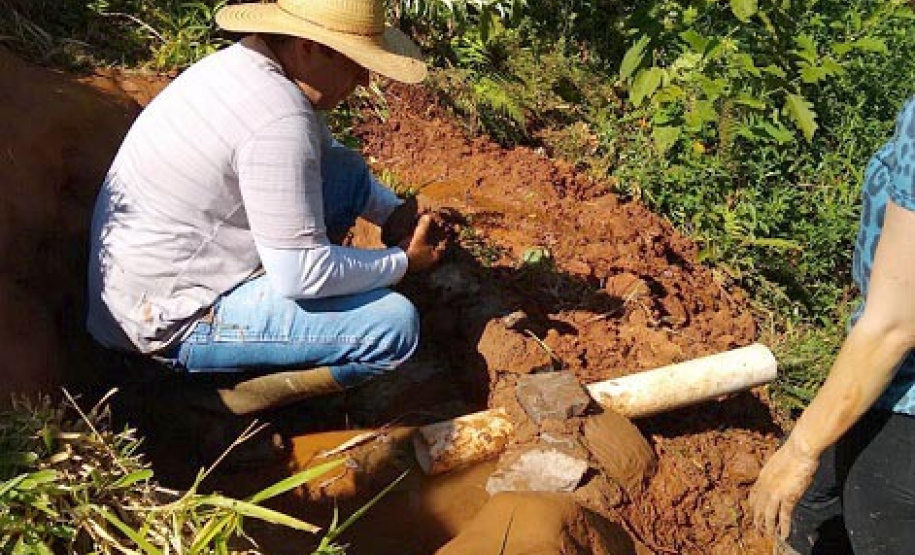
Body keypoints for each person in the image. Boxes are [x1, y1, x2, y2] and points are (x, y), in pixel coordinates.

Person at [86, 0, 443, 420]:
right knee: (392, 326)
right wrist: (402, 262)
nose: (364, 80)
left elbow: (326, 156)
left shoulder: (245, 69)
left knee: (344, 170)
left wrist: (392, 213)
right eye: (353, 61)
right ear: (307, 47)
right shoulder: (277, 118)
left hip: (149, 285)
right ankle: (211, 402)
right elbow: (301, 274)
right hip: (168, 324)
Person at [749, 97, 915, 554]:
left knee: (868, 508)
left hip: (905, 404)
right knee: (811, 511)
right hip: (886, 383)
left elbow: (898, 323)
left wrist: (801, 450)